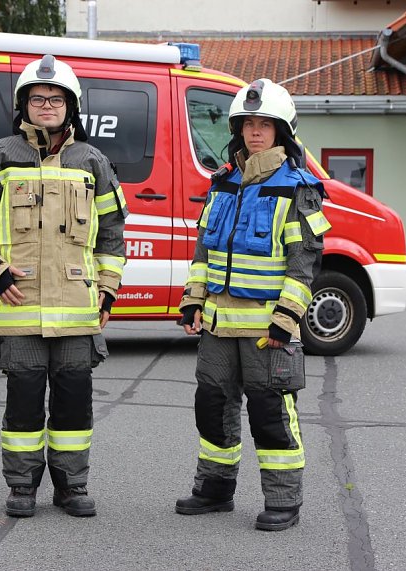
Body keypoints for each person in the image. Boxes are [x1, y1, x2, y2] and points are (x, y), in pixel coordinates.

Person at [0, 55, 127, 518]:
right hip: (19, 304)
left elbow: (111, 232)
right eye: (37, 98)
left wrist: (107, 289)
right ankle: (22, 487)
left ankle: (71, 488)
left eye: (56, 99)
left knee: (73, 406)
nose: (47, 105)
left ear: (71, 106)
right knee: (23, 405)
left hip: (76, 310)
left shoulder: (93, 161)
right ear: (23, 106)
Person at [175, 78, 330, 531]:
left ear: (282, 131)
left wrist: (286, 320)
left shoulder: (299, 188)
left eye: (265, 124)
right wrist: (193, 300)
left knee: (271, 413)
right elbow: (204, 249)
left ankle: (283, 500)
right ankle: (215, 490)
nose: (255, 131)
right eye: (248, 123)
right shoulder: (222, 183)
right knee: (212, 405)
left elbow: (304, 264)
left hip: (268, 329)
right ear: (237, 129)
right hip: (218, 327)